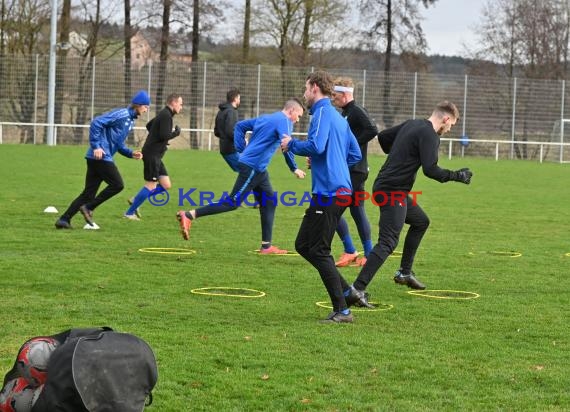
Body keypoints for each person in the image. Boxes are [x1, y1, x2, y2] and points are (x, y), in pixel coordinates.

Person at [350, 101, 473, 299]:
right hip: (392, 191)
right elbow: (431, 170)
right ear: (446, 119)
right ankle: (356, 289)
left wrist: (400, 153)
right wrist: (457, 176)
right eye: (452, 125)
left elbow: (383, 137)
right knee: (388, 242)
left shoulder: (412, 124)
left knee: (420, 221)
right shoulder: (430, 135)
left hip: (389, 187)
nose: (449, 129)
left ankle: (404, 272)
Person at [280, 71, 367, 324]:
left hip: (330, 192)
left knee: (318, 249)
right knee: (303, 245)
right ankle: (348, 293)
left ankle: (343, 310)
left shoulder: (321, 113)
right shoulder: (340, 119)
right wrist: (327, 158)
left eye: (306, 89)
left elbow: (316, 145)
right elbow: (354, 155)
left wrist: (291, 145)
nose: (305, 94)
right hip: (336, 191)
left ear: (315, 88)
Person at [177, 98, 306, 254]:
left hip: (259, 169)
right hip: (252, 167)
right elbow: (286, 146)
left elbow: (240, 126)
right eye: (298, 115)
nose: (298, 120)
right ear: (291, 110)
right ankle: (189, 215)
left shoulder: (266, 117)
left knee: (270, 201)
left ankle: (266, 246)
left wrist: (241, 147)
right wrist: (294, 168)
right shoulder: (285, 121)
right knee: (232, 203)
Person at [54, 90, 150, 229]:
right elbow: (96, 122)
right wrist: (96, 146)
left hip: (97, 158)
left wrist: (130, 153)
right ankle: (88, 207)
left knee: (88, 194)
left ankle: (64, 220)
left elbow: (118, 144)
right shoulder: (122, 114)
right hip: (100, 156)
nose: (147, 110)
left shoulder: (130, 122)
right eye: (146, 107)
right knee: (117, 184)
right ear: (139, 105)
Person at [331, 77, 378, 268]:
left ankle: (351, 250)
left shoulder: (356, 111)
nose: (333, 98)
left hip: (355, 170)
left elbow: (372, 130)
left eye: (335, 95)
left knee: (330, 209)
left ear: (344, 94)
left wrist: (351, 145)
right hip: (353, 169)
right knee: (357, 211)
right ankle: (366, 254)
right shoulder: (345, 113)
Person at [124, 93, 183, 220]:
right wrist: (175, 133)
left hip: (155, 155)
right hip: (152, 155)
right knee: (151, 185)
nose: (181, 107)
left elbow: (149, 126)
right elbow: (164, 135)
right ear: (173, 103)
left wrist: (158, 138)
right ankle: (129, 213)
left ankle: (136, 199)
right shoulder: (166, 116)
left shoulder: (164, 114)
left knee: (166, 185)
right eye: (180, 104)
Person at [214, 87, 241, 172]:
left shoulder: (221, 111)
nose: (240, 100)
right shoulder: (232, 112)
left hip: (224, 149)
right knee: (249, 172)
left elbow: (216, 132)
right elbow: (230, 132)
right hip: (232, 149)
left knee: (246, 173)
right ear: (235, 99)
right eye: (239, 98)